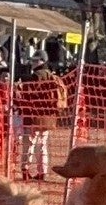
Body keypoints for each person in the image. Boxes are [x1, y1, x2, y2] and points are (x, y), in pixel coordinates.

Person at [17, 51, 68, 180]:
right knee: (42, 145)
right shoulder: (54, 77)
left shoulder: (34, 77)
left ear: (42, 61)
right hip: (48, 117)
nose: (33, 63)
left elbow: (26, 97)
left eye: (36, 61)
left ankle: (25, 170)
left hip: (33, 117)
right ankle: (42, 172)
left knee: (29, 144)